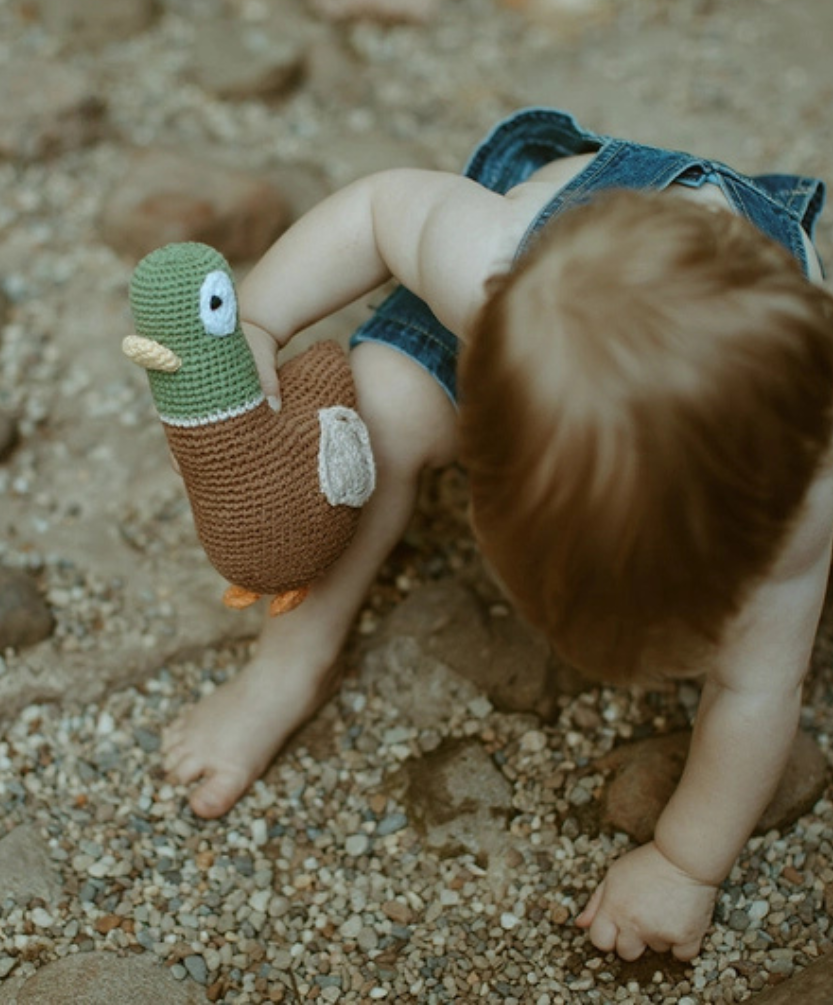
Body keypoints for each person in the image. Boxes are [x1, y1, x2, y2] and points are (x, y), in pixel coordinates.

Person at [161, 107, 833, 961]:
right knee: (383, 410)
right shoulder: (489, 260)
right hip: (558, 287)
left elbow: (757, 690)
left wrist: (685, 864)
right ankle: (286, 665)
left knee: (776, 633)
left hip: (718, 343)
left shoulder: (802, 498)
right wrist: (257, 323)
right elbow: (376, 211)